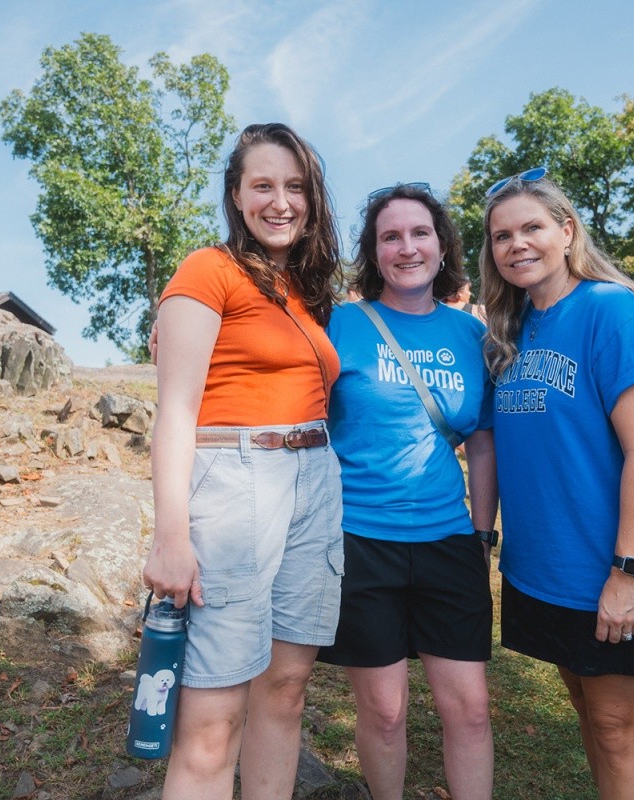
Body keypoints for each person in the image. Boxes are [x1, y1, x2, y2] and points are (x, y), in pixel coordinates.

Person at [142, 122, 346, 800]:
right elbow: (174, 412)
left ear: (312, 201)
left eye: (295, 187)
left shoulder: (307, 293)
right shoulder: (207, 269)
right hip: (233, 482)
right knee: (211, 717)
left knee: (285, 692)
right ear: (236, 196)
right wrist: (170, 537)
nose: (280, 201)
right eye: (263, 185)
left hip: (313, 481)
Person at [480, 169, 634, 800]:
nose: (516, 244)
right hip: (543, 568)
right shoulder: (511, 332)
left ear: (566, 232)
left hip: (611, 567)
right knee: (589, 717)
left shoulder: (611, 309)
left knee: (617, 726)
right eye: (501, 235)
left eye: (532, 228)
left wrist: (627, 573)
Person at [318, 183, 498, 800]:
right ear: (374, 251)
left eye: (419, 233)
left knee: (470, 709)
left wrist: (483, 532)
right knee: (386, 714)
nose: (407, 247)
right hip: (361, 543)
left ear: (442, 245)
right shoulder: (340, 324)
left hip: (449, 539)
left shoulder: (472, 335)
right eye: (390, 236)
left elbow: (481, 442)